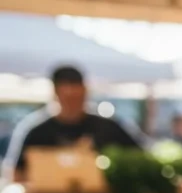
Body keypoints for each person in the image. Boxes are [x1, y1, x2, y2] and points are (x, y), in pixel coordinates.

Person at [3, 65, 141, 182]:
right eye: (68, 97)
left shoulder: (108, 127)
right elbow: (16, 173)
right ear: (56, 94)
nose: (74, 103)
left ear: (85, 91)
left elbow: (139, 157)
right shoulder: (37, 131)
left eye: (78, 97)